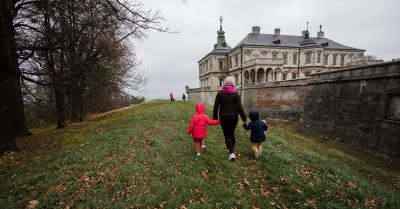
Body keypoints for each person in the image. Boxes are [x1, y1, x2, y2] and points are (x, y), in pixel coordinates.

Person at [213, 76, 246, 161]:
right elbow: (240, 107)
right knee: (232, 133)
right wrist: (244, 118)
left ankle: (231, 152)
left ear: (225, 84)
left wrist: (215, 118)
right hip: (234, 117)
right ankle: (231, 149)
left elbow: (216, 107)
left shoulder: (220, 93)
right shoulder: (236, 93)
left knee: (227, 135)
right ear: (233, 84)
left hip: (223, 117)